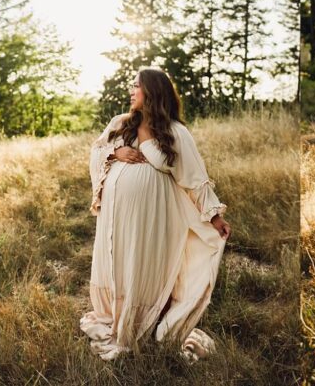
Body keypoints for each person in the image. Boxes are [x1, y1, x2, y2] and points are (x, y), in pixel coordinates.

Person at [81, 67, 231, 362]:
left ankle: (143, 322)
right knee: (118, 262)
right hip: (116, 218)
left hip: (152, 219)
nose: (131, 91)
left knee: (143, 264)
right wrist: (116, 153)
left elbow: (195, 177)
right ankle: (116, 315)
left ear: (152, 91)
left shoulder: (176, 132)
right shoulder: (121, 124)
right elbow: (96, 151)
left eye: (136, 86)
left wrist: (214, 217)